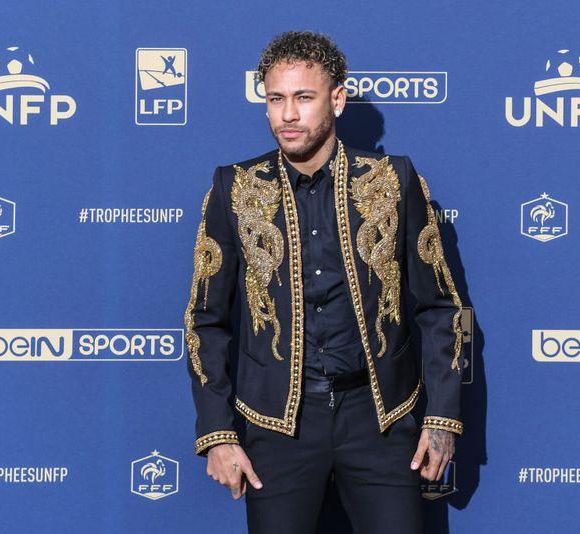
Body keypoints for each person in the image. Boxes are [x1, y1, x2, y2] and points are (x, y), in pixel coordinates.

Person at [184, 30, 464, 534]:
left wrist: (441, 419)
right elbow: (205, 319)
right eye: (276, 99)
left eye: (303, 98)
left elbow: (440, 307)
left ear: (336, 100)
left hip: (380, 419)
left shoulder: (393, 181)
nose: (288, 115)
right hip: (276, 424)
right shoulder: (236, 188)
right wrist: (218, 432)